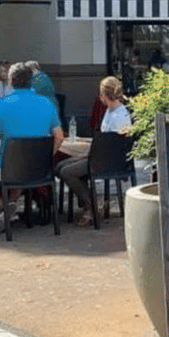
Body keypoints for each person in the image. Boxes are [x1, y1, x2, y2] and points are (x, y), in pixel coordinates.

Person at [0, 62, 63, 233]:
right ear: (31, 80)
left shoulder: (1, 105)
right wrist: (46, 156)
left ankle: (3, 207)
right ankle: (10, 206)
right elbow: (59, 137)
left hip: (9, 166)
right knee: (22, 165)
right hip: (39, 168)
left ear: (11, 80)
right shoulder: (46, 103)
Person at [57, 76, 132, 227]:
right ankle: (88, 204)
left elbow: (111, 143)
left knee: (67, 172)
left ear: (104, 96)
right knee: (60, 166)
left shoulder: (118, 115)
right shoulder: (112, 110)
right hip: (102, 155)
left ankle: (91, 205)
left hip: (108, 160)